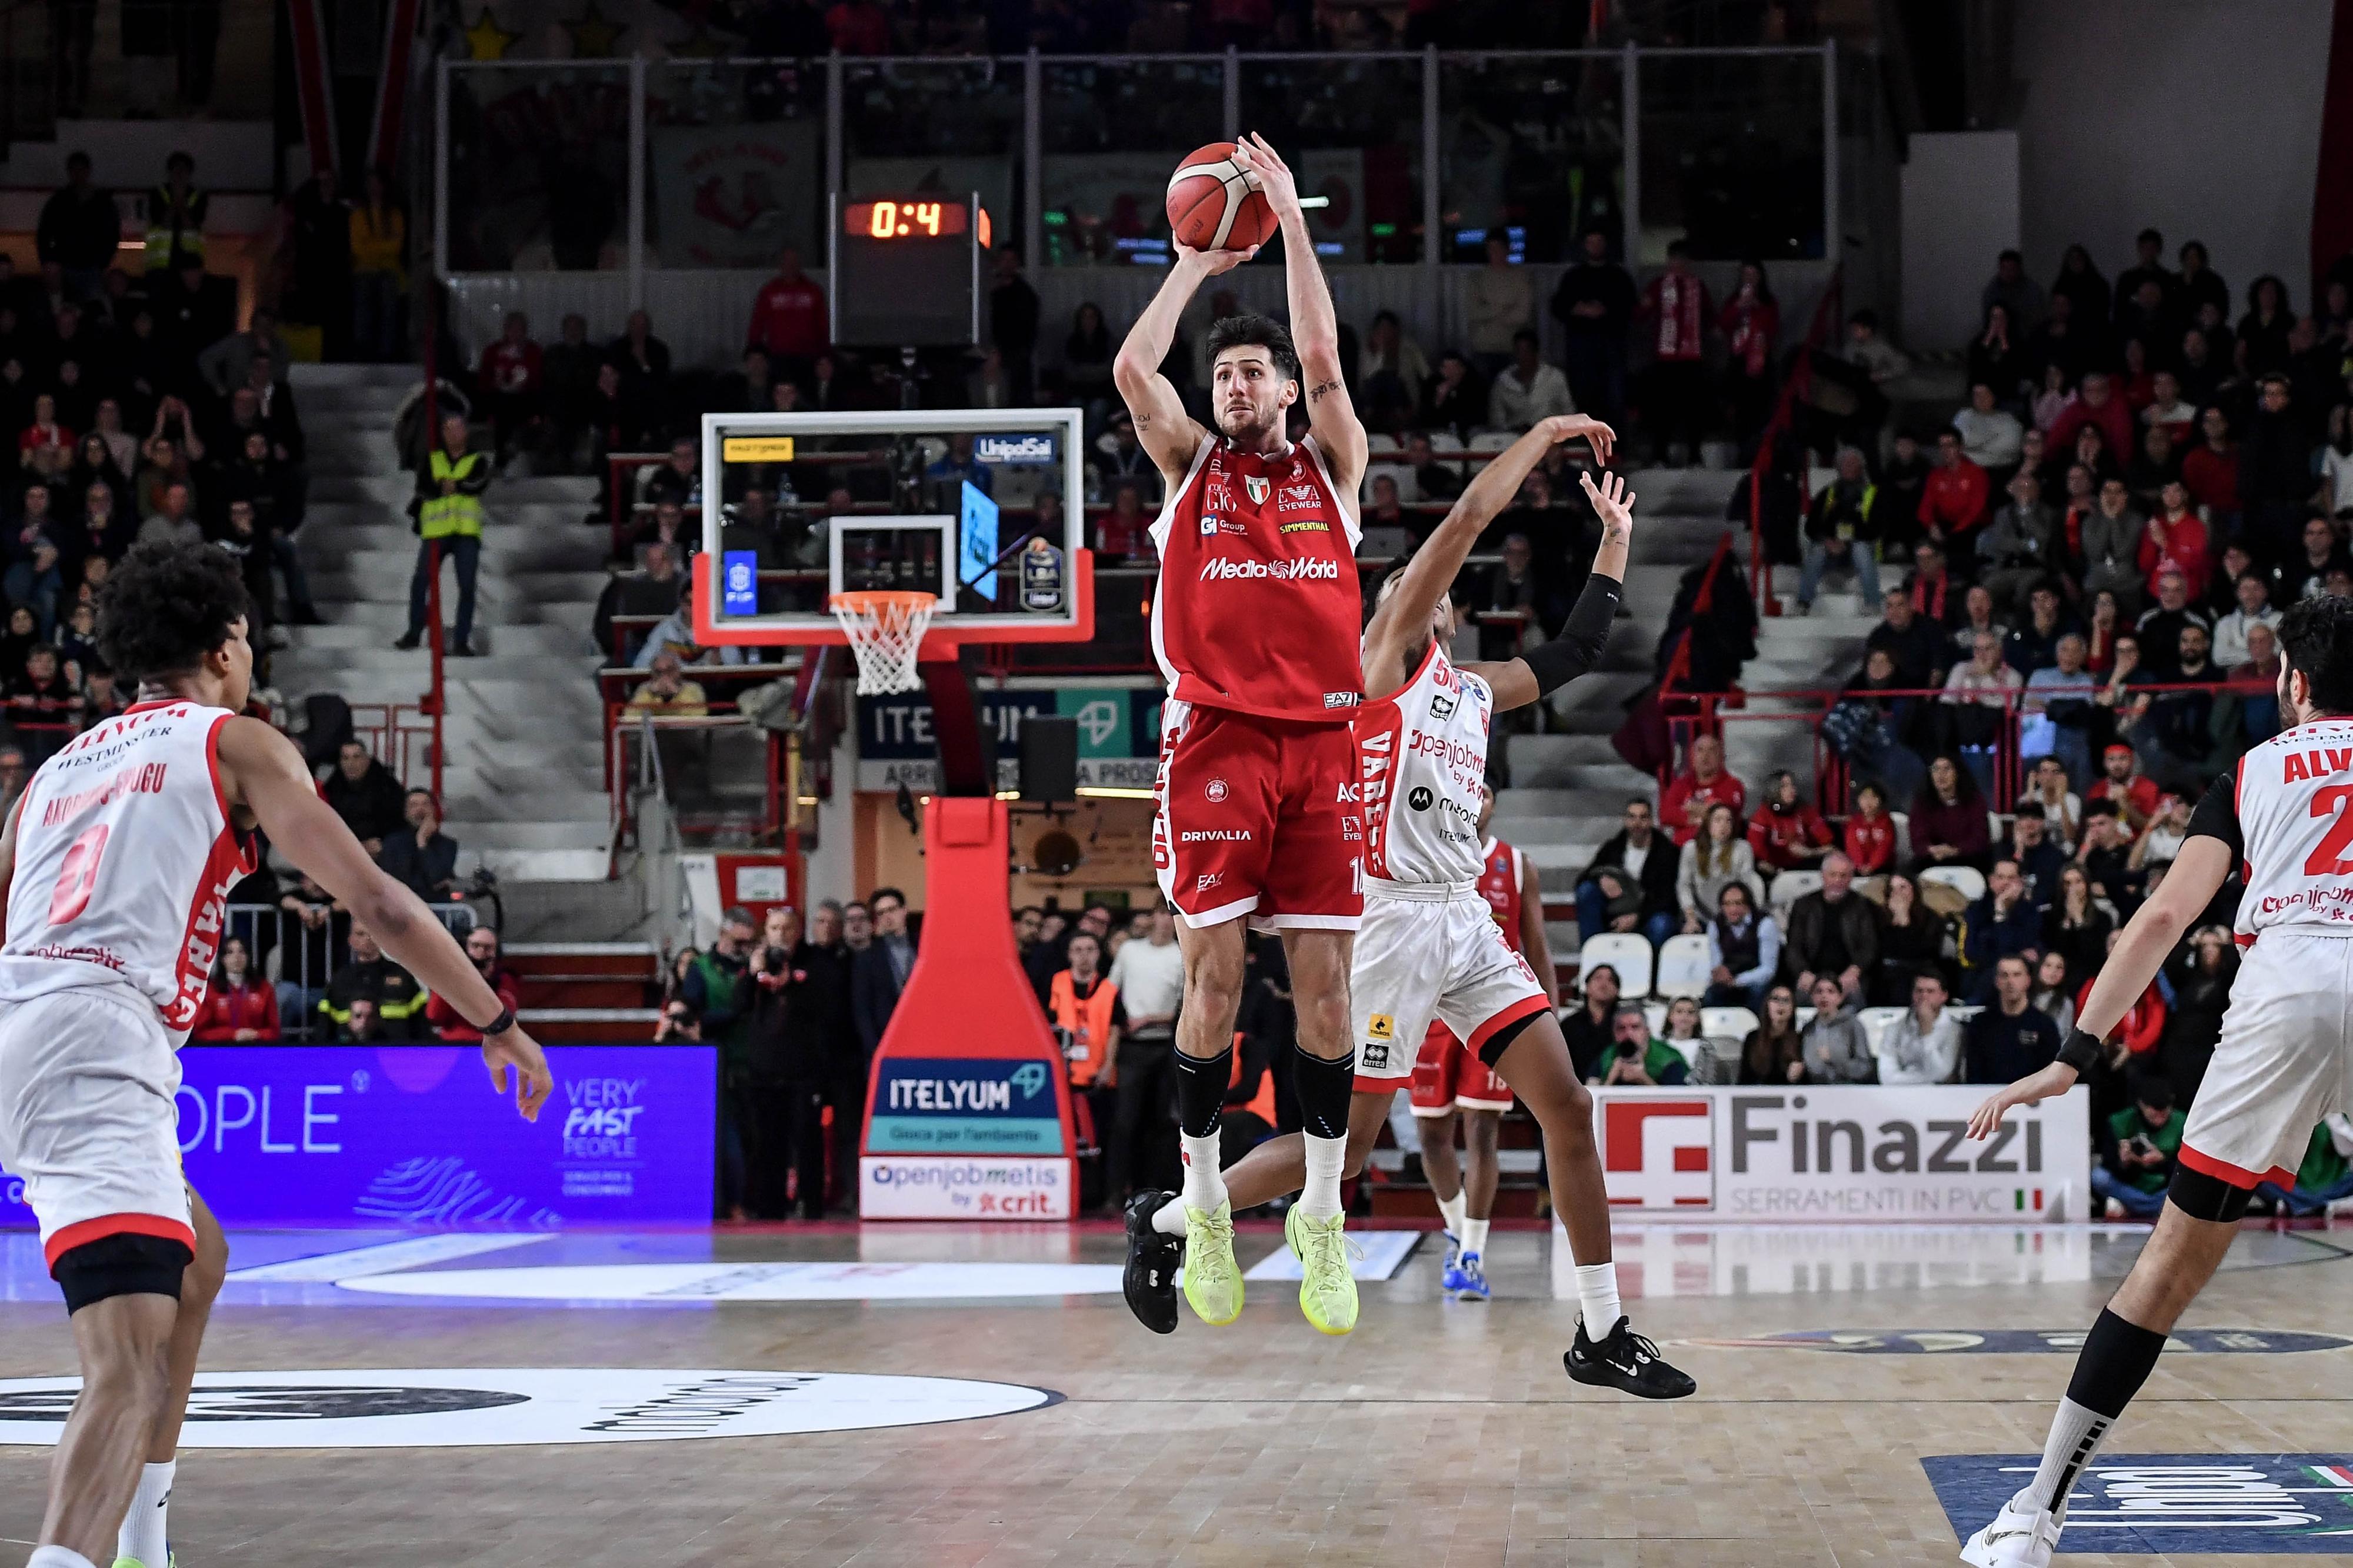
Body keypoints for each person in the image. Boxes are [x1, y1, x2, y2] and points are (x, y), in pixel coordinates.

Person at [0, 542, 547, 1568]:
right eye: (246, 640)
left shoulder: (49, 776)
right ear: (219, 649)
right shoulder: (235, 741)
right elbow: (379, 903)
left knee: (198, 1261)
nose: (248, 659)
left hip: (23, 1023)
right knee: (121, 1363)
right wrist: (493, 1019)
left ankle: (142, 1546)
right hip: (94, 1036)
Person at [1125, 426, 1691, 1394]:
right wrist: (1548, 436)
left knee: (1566, 1100)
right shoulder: (1375, 662)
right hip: (1386, 924)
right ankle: (1172, 1216)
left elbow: (1581, 648)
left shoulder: (1473, 688)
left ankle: (1602, 1329)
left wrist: (1615, 540)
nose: (1426, 600)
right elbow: (1470, 516)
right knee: (1339, 1152)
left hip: (1461, 916)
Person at [1109, 134, 1372, 1332]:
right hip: (1215, 740)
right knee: (1211, 986)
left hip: (1322, 748)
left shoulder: (1333, 462)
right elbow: (1129, 369)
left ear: (1281, 388)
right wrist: (1192, 264)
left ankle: (1316, 1215)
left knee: (1326, 1002)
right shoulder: (1187, 465)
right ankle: (1203, 1201)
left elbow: (1324, 352)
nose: (1238, 389)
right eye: (1227, 378)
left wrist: (1288, 221)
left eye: (1254, 376)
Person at [1419, 792, 1559, 1300]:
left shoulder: (1517, 864)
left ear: (1493, 803)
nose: (1473, 800)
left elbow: (1536, 944)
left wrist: (1549, 1015)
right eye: (1466, 790)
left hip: (1491, 1005)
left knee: (1482, 1133)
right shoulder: (1425, 849)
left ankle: (1473, 1253)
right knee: (1432, 1136)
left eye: (1482, 792)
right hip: (1431, 1011)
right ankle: (1458, 1228)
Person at [744, 906, 827, 1221]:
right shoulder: (758, 964)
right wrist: (754, 974)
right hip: (764, 1072)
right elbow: (740, 1005)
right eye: (775, 928)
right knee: (768, 1145)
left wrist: (792, 981)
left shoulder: (815, 963)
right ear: (767, 933)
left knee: (807, 1143)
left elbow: (822, 1008)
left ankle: (812, 1207)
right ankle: (770, 1210)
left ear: (798, 931)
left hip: (804, 1072)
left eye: (787, 928)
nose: (781, 934)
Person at [1104, 902, 1182, 1206]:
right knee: (1125, 1121)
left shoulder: (1181, 955)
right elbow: (1110, 992)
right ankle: (1114, 1191)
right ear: (1152, 918)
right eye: (1161, 914)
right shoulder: (1130, 951)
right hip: (1132, 1045)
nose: (1164, 921)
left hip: (1165, 1044)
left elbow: (1186, 1006)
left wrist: (1152, 1019)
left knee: (1163, 1121)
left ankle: (1154, 1190)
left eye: (1171, 916)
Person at [396, 413, 487, 657]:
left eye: (457, 429)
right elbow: (424, 487)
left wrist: (452, 486)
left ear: (465, 432)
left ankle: (461, 642)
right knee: (420, 582)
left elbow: (478, 483)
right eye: (448, 429)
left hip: (466, 533)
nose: (453, 434)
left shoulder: (477, 460)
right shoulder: (432, 459)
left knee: (467, 587)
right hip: (436, 532)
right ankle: (414, 633)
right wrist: (451, 486)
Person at [1048, 929, 1124, 1208]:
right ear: (1069, 955)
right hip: (1063, 1077)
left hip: (1097, 1077)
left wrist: (1108, 1066)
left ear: (1098, 954)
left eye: (1090, 949)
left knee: (1100, 1140)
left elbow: (1116, 1029)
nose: (1084, 956)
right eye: (1078, 950)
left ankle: (1099, 1197)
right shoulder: (1056, 983)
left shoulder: (1109, 989)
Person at [1961, 953, 2061, 1086]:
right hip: (1990, 1100)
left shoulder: (2045, 1026)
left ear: (2028, 980)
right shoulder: (1980, 1024)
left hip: (2033, 1102)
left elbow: (2051, 1073)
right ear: (1997, 981)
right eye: (2005, 975)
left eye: (2017, 975)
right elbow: (1973, 1075)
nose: (2011, 982)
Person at [1677, 801, 1764, 936]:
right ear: (1708, 824)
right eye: (1718, 820)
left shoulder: (1743, 848)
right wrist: (1691, 918)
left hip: (1733, 917)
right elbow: (1684, 886)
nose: (1724, 825)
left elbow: (1747, 886)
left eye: (1728, 821)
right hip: (1699, 917)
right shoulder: (1691, 849)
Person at [425, 926, 520, 1044]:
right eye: (475, 946)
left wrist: (484, 983)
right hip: (453, 1044)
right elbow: (435, 1016)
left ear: (497, 953)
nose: (481, 952)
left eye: (488, 948)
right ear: (466, 949)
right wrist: (454, 979)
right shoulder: (452, 977)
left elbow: (501, 1021)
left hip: (491, 1046)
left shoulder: (505, 980)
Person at [850, 886, 914, 1054]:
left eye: (891, 910)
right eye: (881, 913)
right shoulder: (867, 958)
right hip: (886, 1038)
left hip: (923, 1031)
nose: (887, 917)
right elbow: (862, 1009)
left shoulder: (923, 947)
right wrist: (875, 1049)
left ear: (904, 911)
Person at [1704, 880, 1779, 1012]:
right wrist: (1720, 974)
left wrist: (1738, 981)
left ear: (1748, 905)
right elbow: (1717, 962)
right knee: (1712, 994)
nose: (1733, 909)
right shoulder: (1715, 925)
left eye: (1738, 903)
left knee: (1757, 991)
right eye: (1727, 904)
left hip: (1757, 979)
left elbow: (1768, 970)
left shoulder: (1765, 924)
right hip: (1731, 978)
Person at [1659, 731, 1746, 843]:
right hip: (1682, 850)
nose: (1705, 756)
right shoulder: (1681, 784)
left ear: (1721, 757)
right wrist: (1702, 815)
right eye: (1700, 750)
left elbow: (1726, 813)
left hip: (1719, 848)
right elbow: (1665, 815)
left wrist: (1690, 808)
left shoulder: (1733, 785)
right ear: (1693, 757)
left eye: (1712, 750)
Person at [189, 935, 279, 1042]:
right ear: (223, 959)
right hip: (221, 1052)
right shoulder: (210, 990)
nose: (237, 957)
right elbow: (201, 1033)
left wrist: (256, 1035)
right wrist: (233, 1035)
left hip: (256, 1050)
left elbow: (275, 1031)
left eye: (242, 952)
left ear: (248, 956)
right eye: (230, 952)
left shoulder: (264, 988)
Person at [322, 738, 406, 854]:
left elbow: (399, 824)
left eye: (356, 757)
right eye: (346, 758)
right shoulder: (331, 788)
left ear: (367, 760)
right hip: (342, 849)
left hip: (380, 850)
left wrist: (384, 843)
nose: (350, 764)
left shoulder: (388, 787)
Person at [1875, 970, 1959, 1084]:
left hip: (1940, 1095)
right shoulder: (1894, 1029)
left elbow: (1942, 1075)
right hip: (1899, 1094)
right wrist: (1925, 1080)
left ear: (1944, 996)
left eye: (1931, 992)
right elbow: (1886, 1077)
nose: (1924, 996)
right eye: (1919, 991)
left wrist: (1927, 1034)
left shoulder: (1954, 1030)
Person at [377, 788, 458, 903]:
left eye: (425, 805)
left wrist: (422, 842)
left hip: (435, 914)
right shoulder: (392, 843)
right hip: (401, 909)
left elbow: (437, 878)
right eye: (413, 805)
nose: (420, 810)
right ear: (406, 813)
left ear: (433, 810)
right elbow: (396, 881)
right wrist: (428, 887)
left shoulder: (448, 844)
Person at [1746, 769, 1832, 875]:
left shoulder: (1805, 810)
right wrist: (1777, 871)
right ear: (1774, 790)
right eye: (1784, 786)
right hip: (1774, 871)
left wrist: (1810, 853)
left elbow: (1830, 844)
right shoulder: (1762, 815)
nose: (1791, 790)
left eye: (1792, 785)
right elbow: (1756, 855)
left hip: (1805, 866)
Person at [1601, 1000, 1691, 1087]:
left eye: (1635, 1027)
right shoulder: (1606, 1056)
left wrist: (1644, 1079)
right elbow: (1592, 1093)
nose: (1628, 1033)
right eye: (1621, 1028)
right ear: (1614, 1033)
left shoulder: (1670, 1059)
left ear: (1647, 1031)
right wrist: (1610, 1079)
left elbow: (1678, 1099)